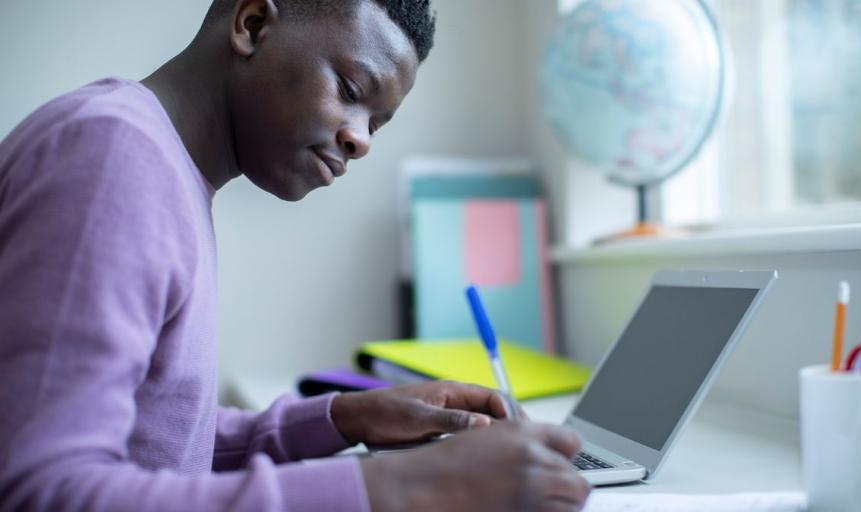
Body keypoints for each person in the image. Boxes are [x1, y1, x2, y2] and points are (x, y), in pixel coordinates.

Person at [0, 1, 592, 511]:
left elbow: (161, 438)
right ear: (253, 24)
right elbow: (45, 491)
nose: (360, 141)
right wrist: (402, 486)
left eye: (377, 125)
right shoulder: (112, 159)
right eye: (352, 91)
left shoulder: (162, 167)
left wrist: (344, 419)